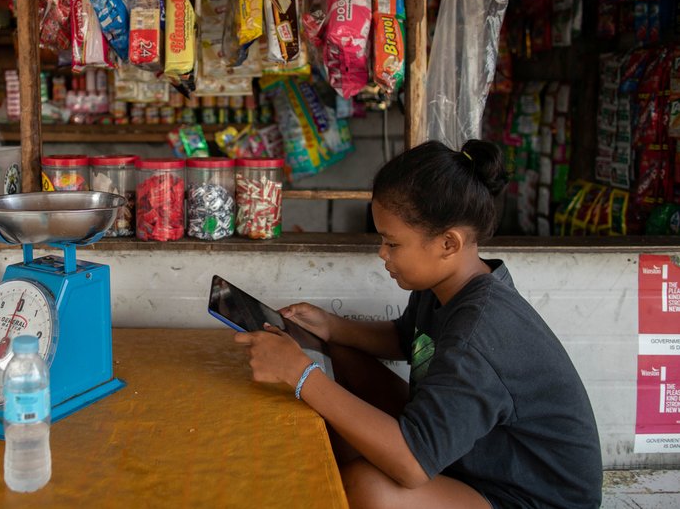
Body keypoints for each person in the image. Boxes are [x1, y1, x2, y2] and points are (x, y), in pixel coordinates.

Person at [234, 139, 602, 509]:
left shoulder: (480, 331)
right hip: (475, 459)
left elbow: (411, 467)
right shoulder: (449, 285)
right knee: (343, 355)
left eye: (392, 244)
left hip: (526, 498)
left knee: (366, 488)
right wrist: (331, 327)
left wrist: (302, 376)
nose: (382, 254)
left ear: (448, 243)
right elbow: (405, 338)